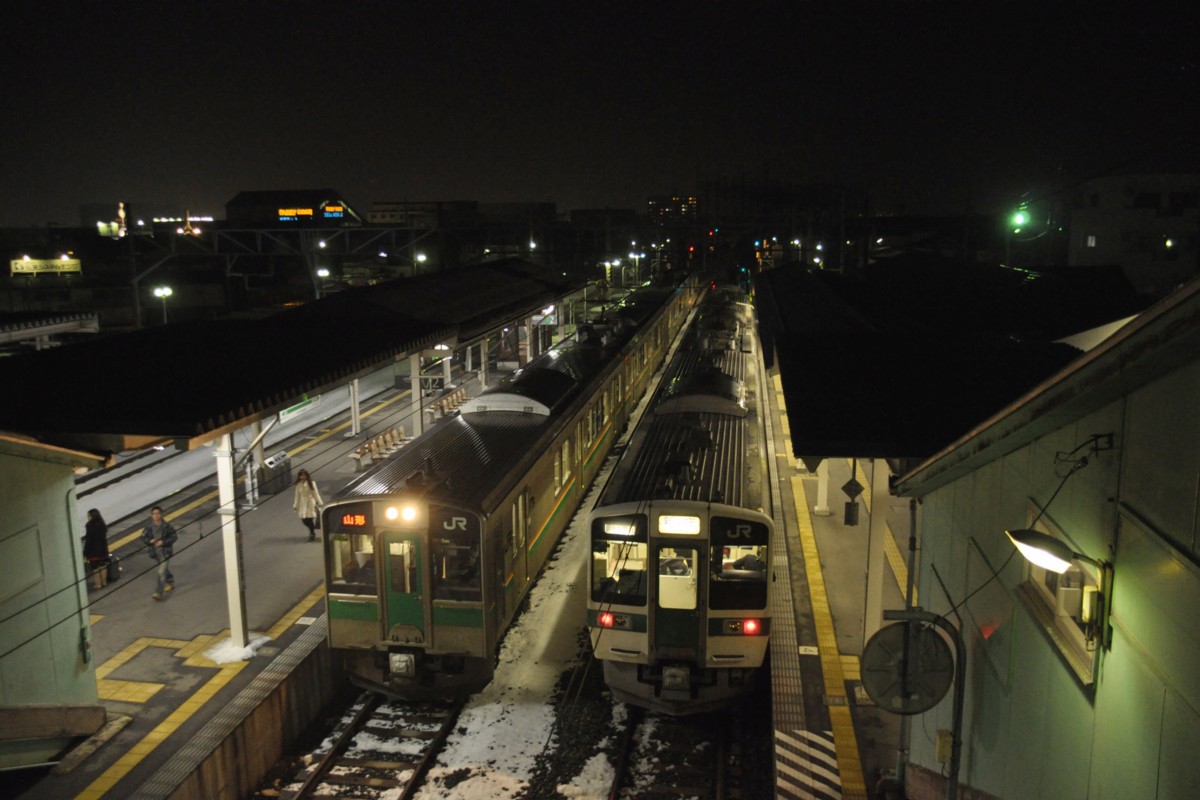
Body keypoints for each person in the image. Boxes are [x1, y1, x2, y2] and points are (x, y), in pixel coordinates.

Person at [140, 506, 177, 600]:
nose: (156, 515)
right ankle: (170, 581)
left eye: (158, 513)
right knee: (163, 570)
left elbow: (174, 536)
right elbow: (142, 537)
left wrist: (163, 542)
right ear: (151, 515)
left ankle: (158, 592)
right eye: (154, 514)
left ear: (161, 514)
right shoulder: (148, 527)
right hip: (155, 553)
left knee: (161, 571)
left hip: (165, 553)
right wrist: (150, 541)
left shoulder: (167, 526)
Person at [293, 469, 323, 541]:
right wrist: (295, 505)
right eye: (301, 475)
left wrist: (320, 503)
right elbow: (297, 496)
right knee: (304, 520)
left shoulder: (311, 483)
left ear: (307, 475)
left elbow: (316, 494)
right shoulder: (298, 485)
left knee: (309, 519)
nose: (302, 477)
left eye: (304, 475)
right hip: (303, 504)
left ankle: (312, 533)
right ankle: (312, 531)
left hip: (310, 504)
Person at [83, 508, 110, 589]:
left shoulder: (89, 525)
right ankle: (104, 582)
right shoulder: (102, 524)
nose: (88, 517)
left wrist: (85, 552)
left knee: (95, 567)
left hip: (93, 551)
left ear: (92, 516)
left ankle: (98, 584)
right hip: (103, 549)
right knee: (102, 565)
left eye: (88, 516)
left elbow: (89, 540)